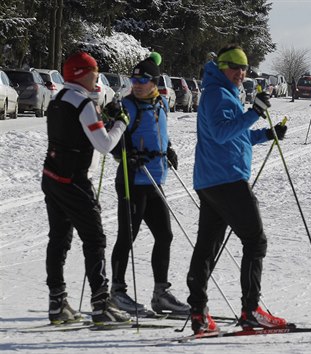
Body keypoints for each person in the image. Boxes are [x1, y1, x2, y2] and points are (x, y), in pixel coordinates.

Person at [187, 44, 288, 335]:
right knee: (255, 241)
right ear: (222, 67)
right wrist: (256, 112)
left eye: (244, 68)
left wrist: (267, 134)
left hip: (212, 180)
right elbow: (221, 133)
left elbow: (236, 134)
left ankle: (199, 312)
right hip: (227, 179)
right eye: (235, 67)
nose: (240, 73)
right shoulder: (218, 93)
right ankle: (251, 311)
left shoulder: (221, 92)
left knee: (207, 247)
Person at [42, 51, 131, 324]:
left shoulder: (58, 99)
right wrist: (120, 124)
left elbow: (77, 133)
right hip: (74, 181)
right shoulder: (83, 103)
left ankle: (58, 303)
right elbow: (104, 145)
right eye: (94, 73)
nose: (97, 79)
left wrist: (104, 119)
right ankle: (102, 305)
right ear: (82, 74)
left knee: (59, 240)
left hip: (52, 177)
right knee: (94, 239)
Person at [109, 53, 190, 317]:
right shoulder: (128, 107)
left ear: (154, 82)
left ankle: (160, 294)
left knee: (164, 236)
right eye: (134, 79)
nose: (137, 83)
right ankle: (117, 293)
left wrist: (169, 149)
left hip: (156, 179)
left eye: (143, 79)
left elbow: (159, 134)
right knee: (127, 237)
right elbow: (113, 142)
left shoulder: (161, 104)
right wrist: (127, 154)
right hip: (133, 181)